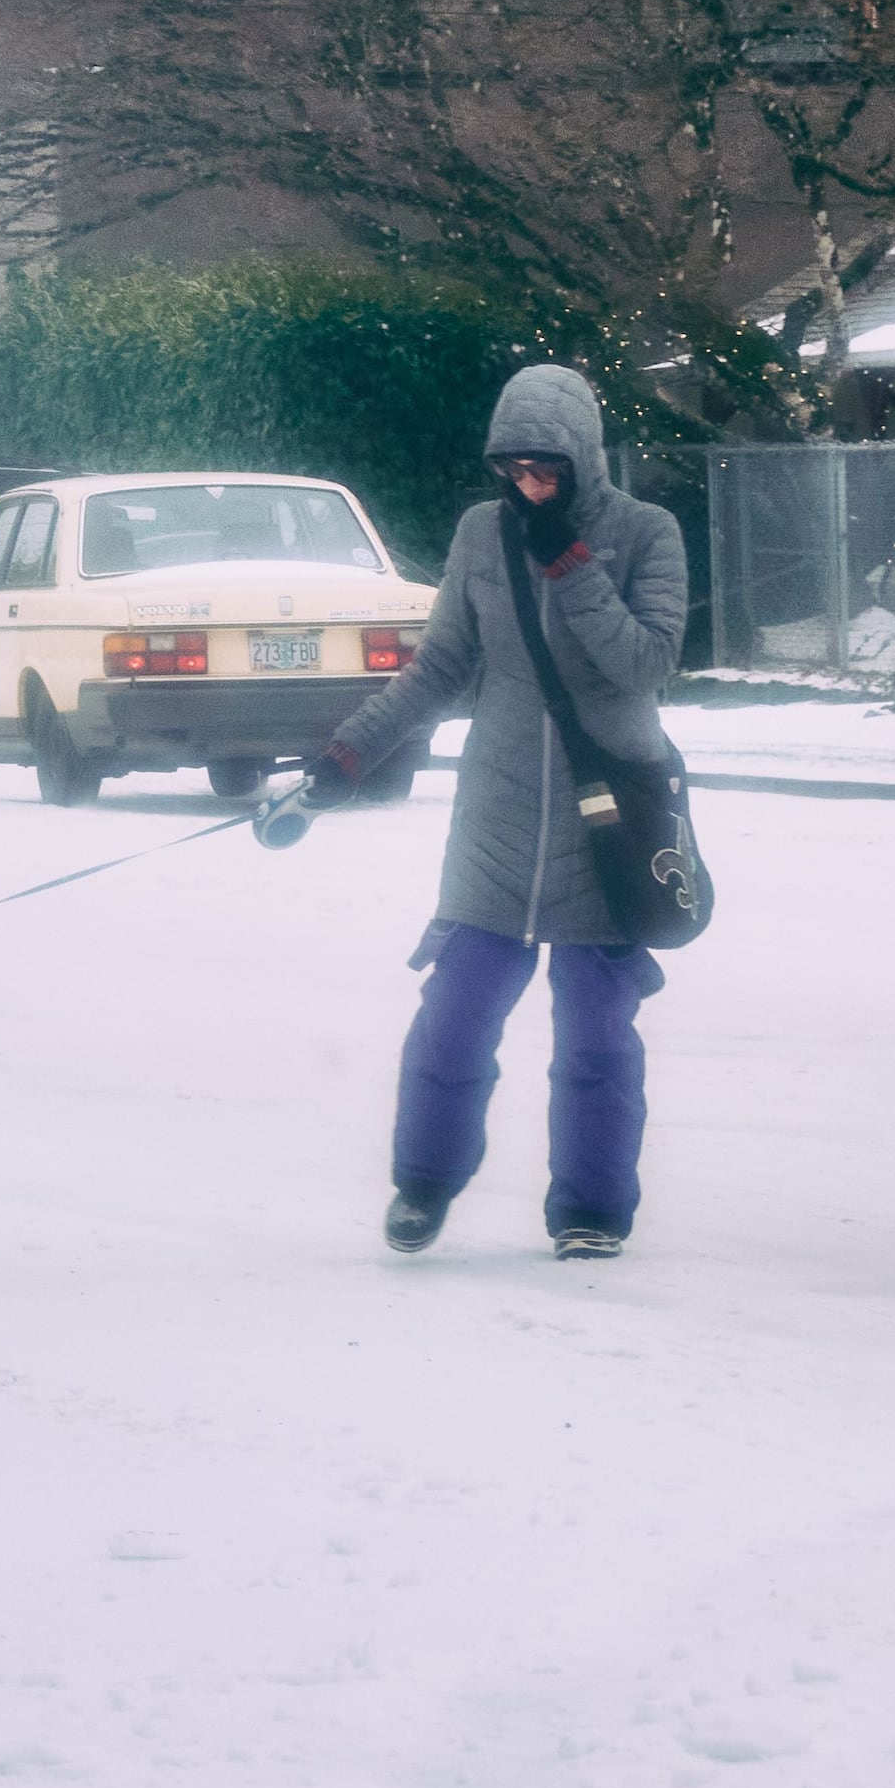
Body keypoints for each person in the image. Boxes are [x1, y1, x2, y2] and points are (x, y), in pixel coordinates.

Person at [305, 362, 689, 1260]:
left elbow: (645, 664)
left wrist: (573, 566)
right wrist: (347, 754)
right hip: (499, 813)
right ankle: (424, 1182)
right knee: (455, 1013)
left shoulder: (646, 532)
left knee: (596, 1030)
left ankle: (591, 1208)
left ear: (583, 459)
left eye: (544, 470)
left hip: (611, 817)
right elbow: (440, 665)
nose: (528, 486)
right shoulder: (483, 535)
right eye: (513, 470)